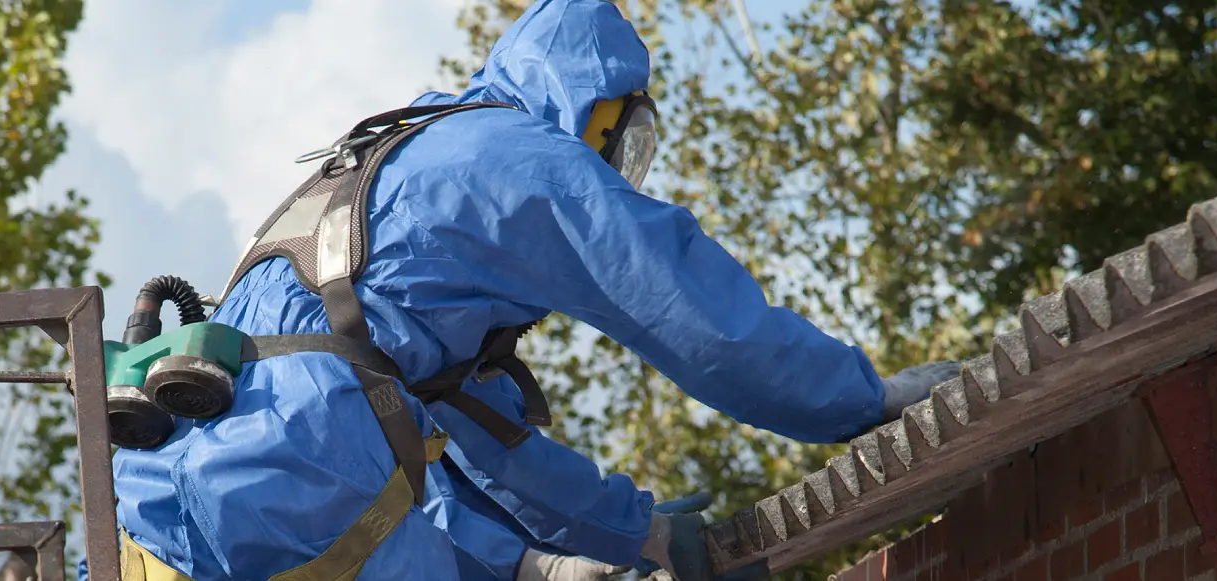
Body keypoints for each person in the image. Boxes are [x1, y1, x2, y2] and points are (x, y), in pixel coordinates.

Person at [82, 1, 959, 580]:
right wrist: (861, 399)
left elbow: (477, 426)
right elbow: (696, 313)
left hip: (147, 506)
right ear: (596, 111)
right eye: (626, 145)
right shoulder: (527, 164)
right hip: (297, 476)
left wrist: (631, 533)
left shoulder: (400, 156)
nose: (621, 170)